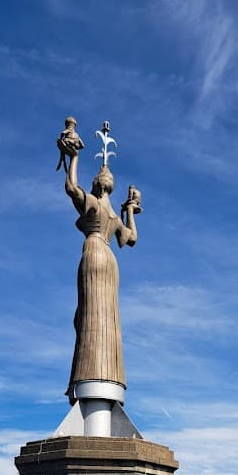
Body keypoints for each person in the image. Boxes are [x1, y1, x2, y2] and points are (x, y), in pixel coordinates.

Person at [57, 123, 140, 403]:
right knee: (96, 315)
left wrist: (74, 158)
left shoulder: (92, 203)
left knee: (91, 315)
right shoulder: (113, 216)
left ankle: (89, 377)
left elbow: (70, 187)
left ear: (96, 184)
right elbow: (131, 239)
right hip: (108, 259)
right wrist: (129, 211)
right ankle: (101, 376)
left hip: (94, 254)